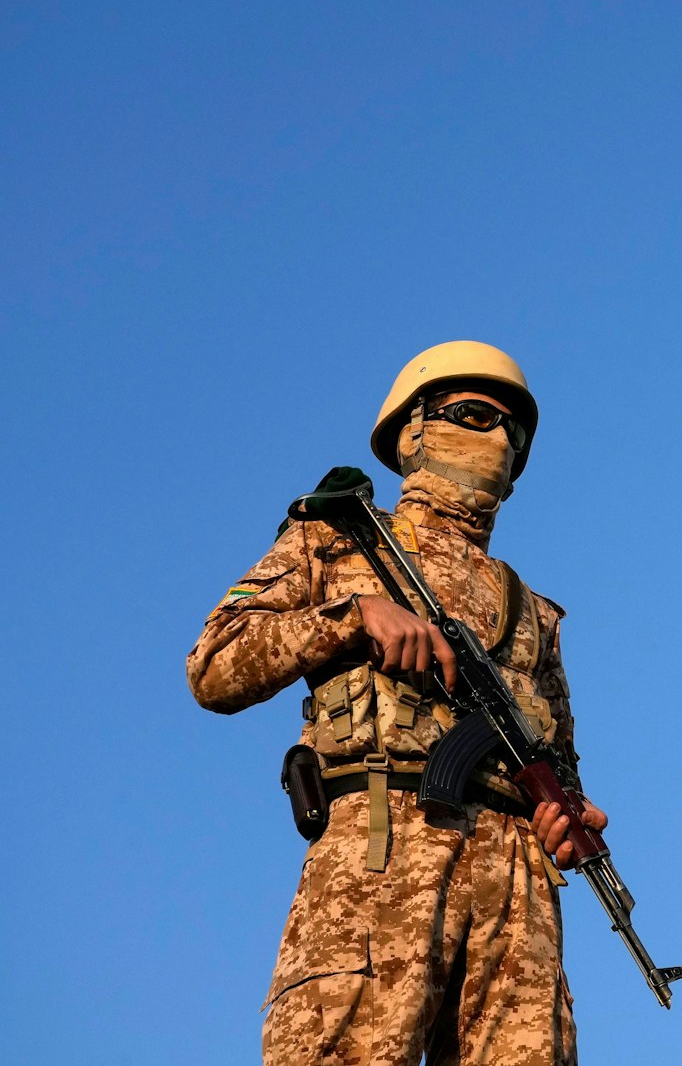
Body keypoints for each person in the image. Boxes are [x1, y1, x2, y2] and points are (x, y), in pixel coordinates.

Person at [188, 340, 603, 1065]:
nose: (499, 439)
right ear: (413, 432)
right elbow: (215, 665)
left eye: (514, 430)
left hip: (517, 892)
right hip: (383, 851)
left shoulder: (533, 612)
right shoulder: (338, 540)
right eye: (474, 415)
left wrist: (568, 815)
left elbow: (561, 762)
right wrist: (352, 617)